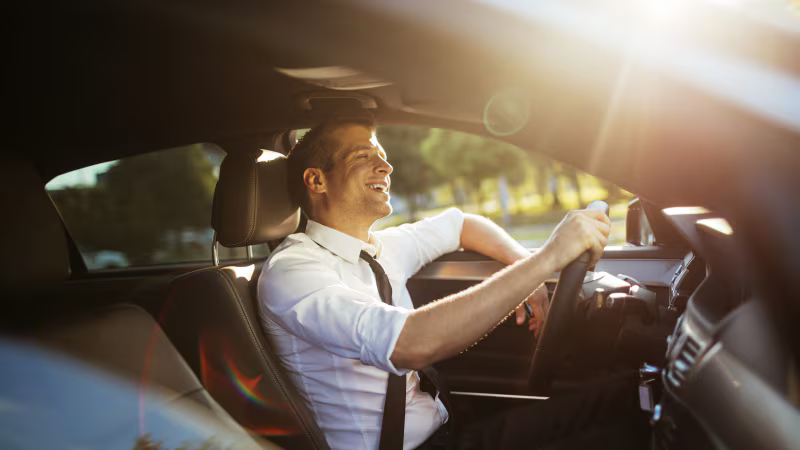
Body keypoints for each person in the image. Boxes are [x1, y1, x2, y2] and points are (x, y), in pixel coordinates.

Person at [257, 119, 647, 449]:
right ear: (316, 180)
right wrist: (547, 259)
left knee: (628, 399)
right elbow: (410, 344)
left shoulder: (381, 247)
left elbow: (461, 224)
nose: (386, 166)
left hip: (449, 432)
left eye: (382, 154)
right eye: (363, 156)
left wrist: (524, 266)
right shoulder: (292, 271)